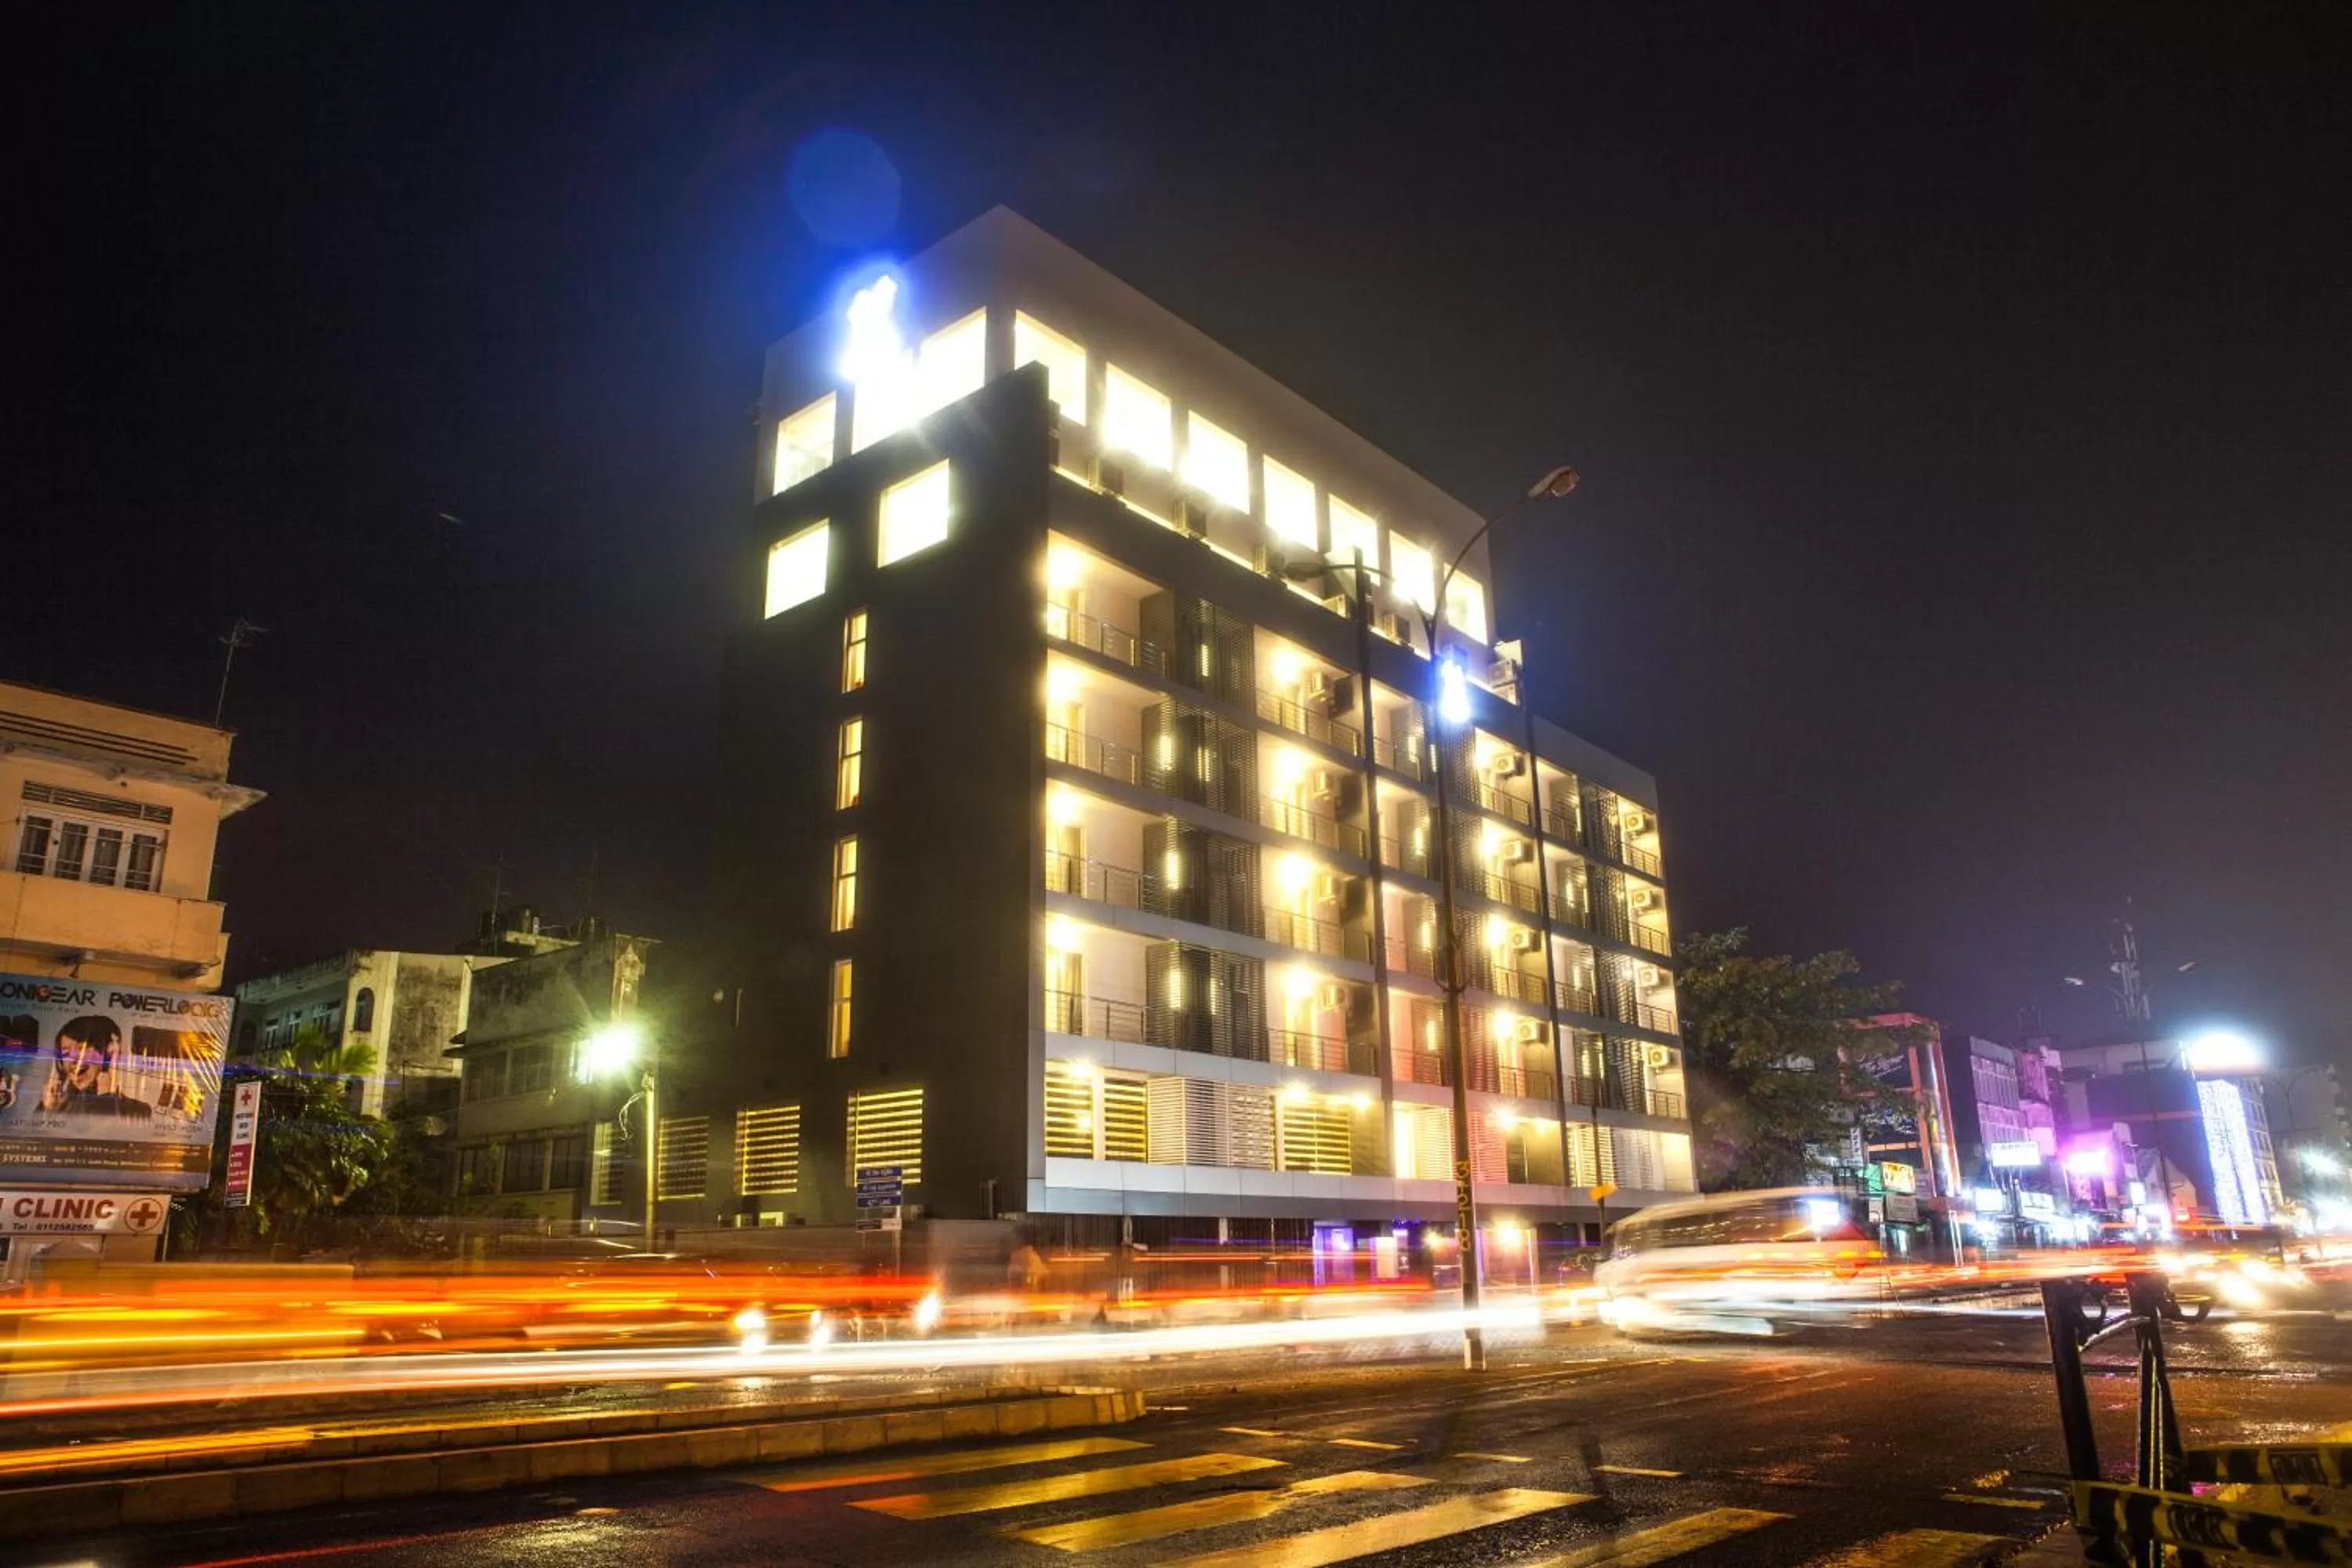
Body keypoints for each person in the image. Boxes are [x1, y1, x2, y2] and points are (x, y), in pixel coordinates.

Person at [39, 1017, 153, 1120]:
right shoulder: (52, 1108)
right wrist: (48, 1110)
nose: (74, 1059)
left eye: (82, 1049)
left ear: (108, 1055)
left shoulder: (139, 1112)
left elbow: (102, 1133)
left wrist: (105, 1097)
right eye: (66, 1053)